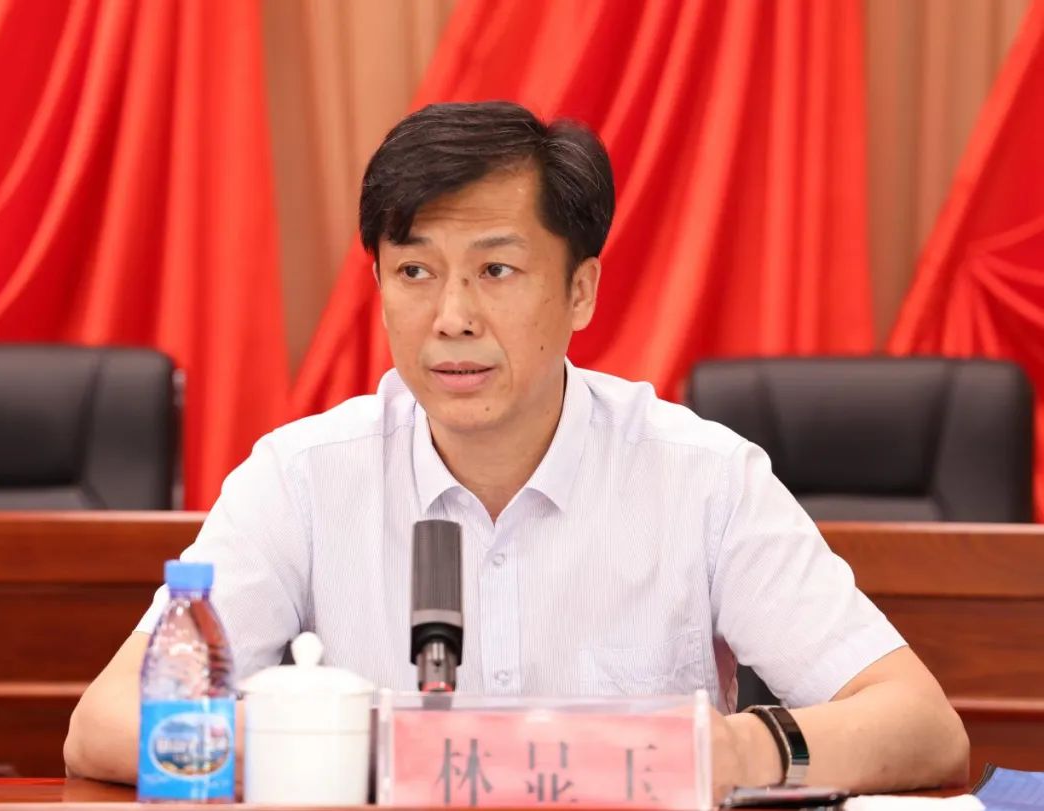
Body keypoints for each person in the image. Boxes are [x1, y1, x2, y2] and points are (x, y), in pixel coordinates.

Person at [64, 101, 968, 796]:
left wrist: (730, 749)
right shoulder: (301, 476)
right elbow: (103, 722)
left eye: (496, 270)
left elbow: (923, 726)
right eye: (415, 272)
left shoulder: (702, 476)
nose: (452, 317)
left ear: (580, 292)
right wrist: (335, 745)